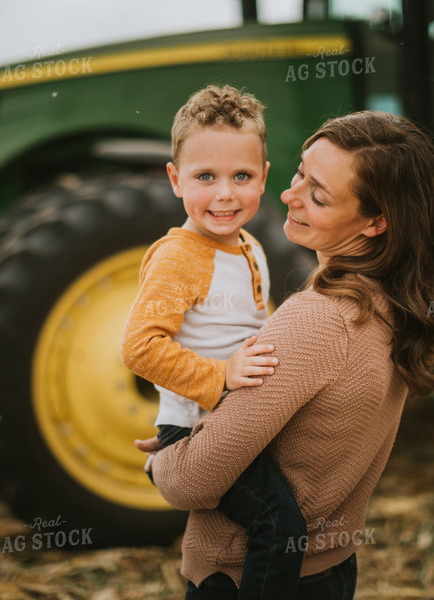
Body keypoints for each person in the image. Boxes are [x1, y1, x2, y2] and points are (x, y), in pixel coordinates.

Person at [149, 111, 434, 599]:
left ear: (376, 222)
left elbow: (192, 480)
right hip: (330, 570)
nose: (288, 194)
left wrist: (165, 458)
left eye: (317, 195)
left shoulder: (318, 321)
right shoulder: (396, 306)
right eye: (300, 172)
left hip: (243, 577)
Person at [120, 85, 307, 599]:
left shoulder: (248, 243)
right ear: (175, 179)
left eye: (241, 177)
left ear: (264, 177)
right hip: (202, 430)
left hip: (232, 422)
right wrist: (217, 379)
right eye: (206, 177)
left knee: (248, 534)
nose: (225, 194)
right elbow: (139, 346)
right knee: (279, 525)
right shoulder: (181, 257)